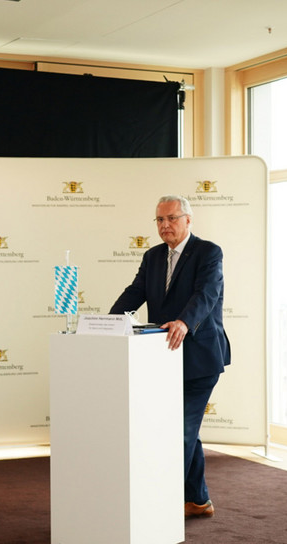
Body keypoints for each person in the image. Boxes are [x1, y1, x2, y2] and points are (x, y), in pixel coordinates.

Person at [109, 195, 231, 518]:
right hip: (162, 360)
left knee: (180, 432)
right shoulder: (152, 257)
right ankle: (199, 499)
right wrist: (108, 321)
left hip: (200, 359)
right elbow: (135, 293)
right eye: (160, 221)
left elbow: (206, 295)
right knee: (184, 428)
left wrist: (184, 322)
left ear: (188, 220)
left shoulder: (209, 253)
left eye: (172, 219)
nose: (165, 226)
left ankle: (159, 507)